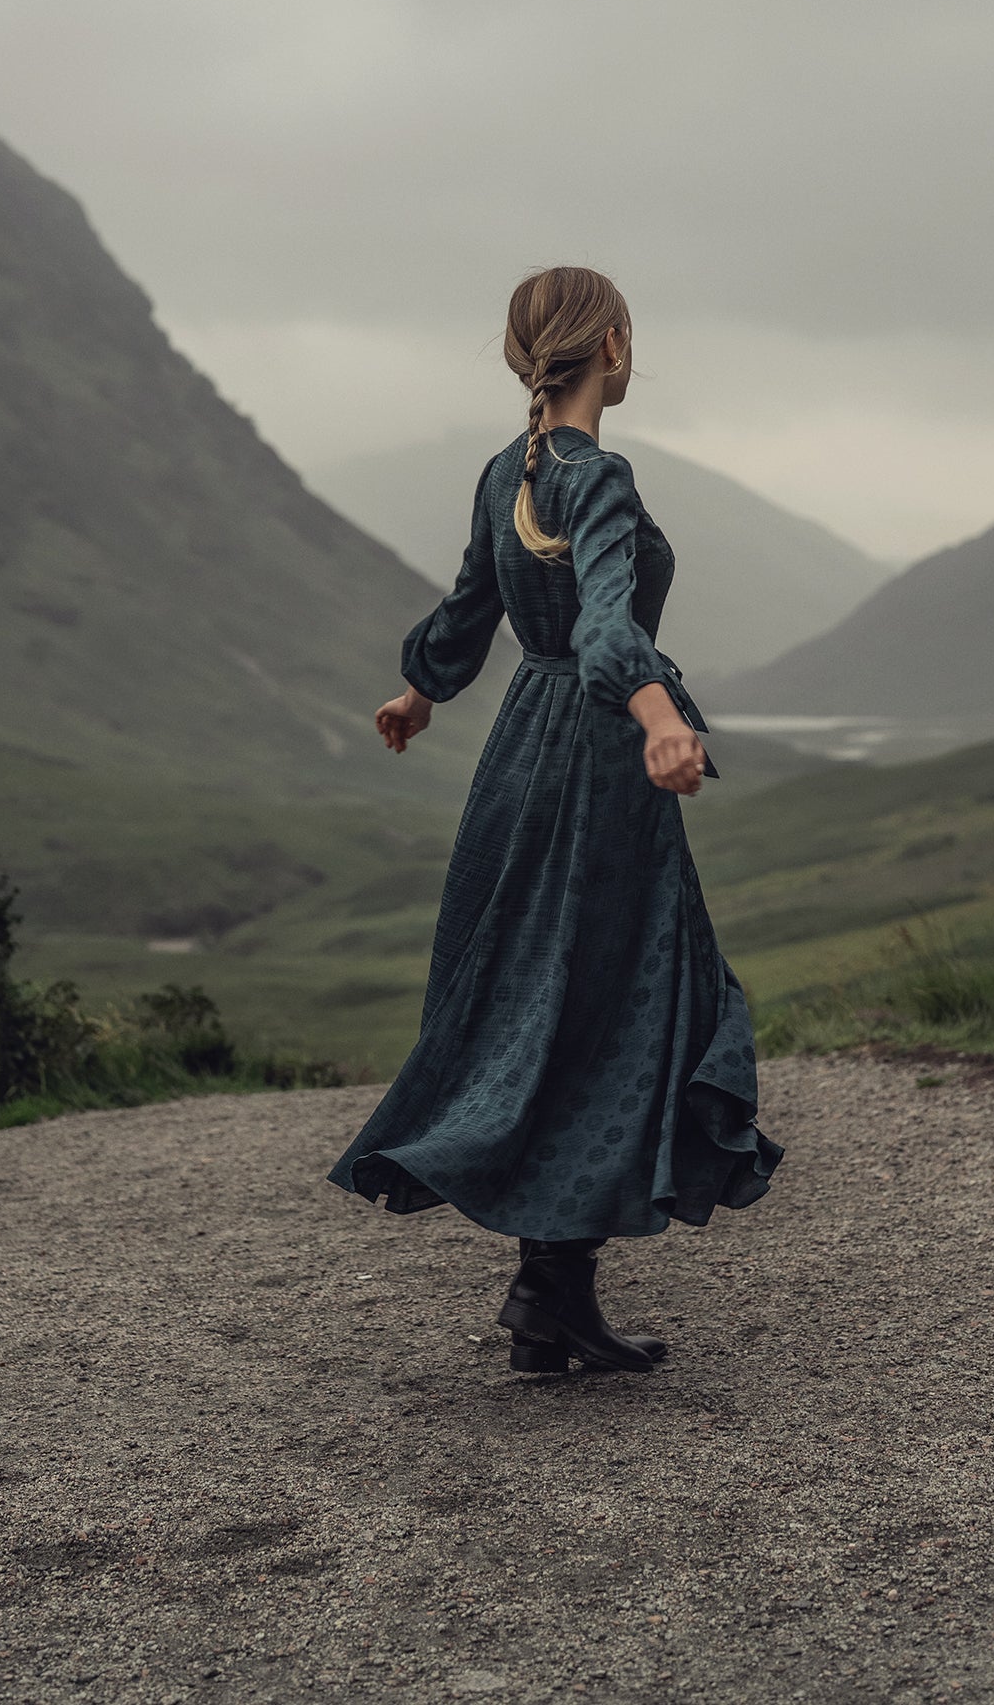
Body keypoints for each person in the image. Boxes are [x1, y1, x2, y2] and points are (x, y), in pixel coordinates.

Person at [327, 266, 782, 1374]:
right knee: (625, 996)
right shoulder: (601, 480)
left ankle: (549, 1293)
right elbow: (610, 628)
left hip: (521, 749)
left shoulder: (504, 473)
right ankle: (550, 1286)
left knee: (553, 992)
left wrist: (420, 693)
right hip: (598, 754)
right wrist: (658, 718)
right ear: (615, 348)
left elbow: (470, 608)